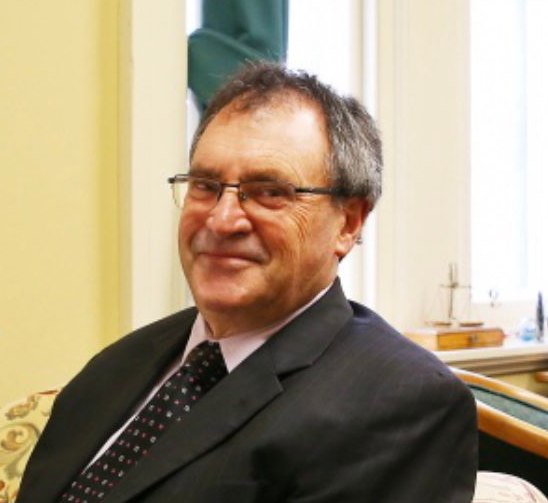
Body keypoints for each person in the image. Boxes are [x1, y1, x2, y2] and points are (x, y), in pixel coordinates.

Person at [17, 62, 477, 503]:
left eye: (270, 192)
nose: (222, 220)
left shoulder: (399, 403)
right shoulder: (124, 362)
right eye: (205, 185)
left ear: (348, 222)